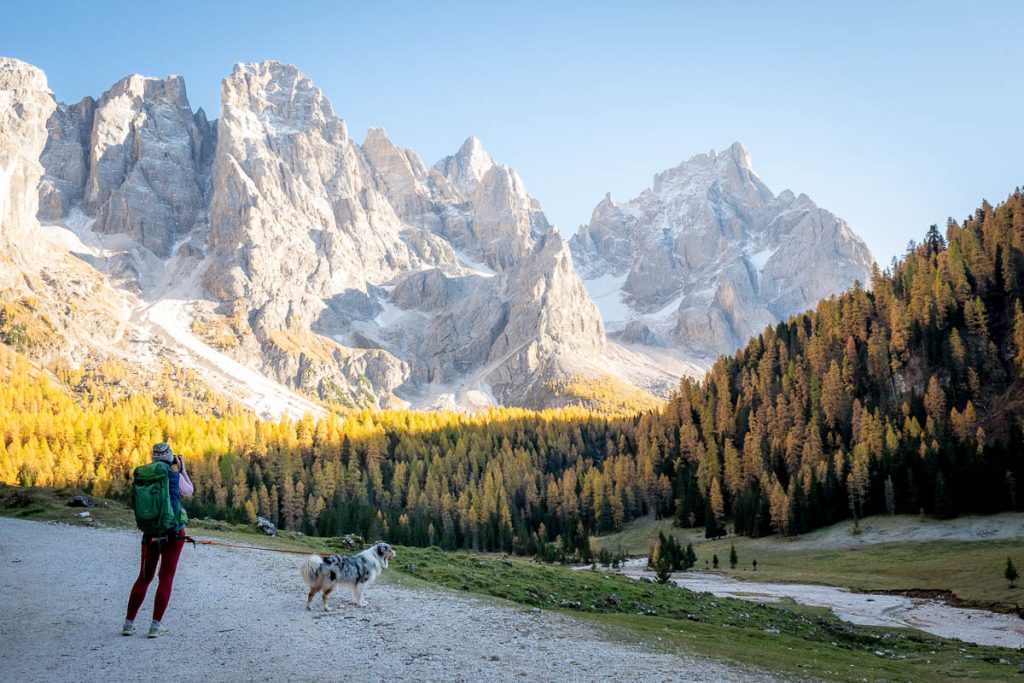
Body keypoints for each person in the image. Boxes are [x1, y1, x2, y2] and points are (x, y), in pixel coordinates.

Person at [122, 442, 194, 638]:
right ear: (170, 458)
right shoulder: (174, 476)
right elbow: (189, 491)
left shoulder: (144, 477)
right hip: (174, 534)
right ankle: (155, 626)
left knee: (144, 577)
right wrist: (183, 470)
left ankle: (128, 623)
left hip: (150, 533)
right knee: (166, 577)